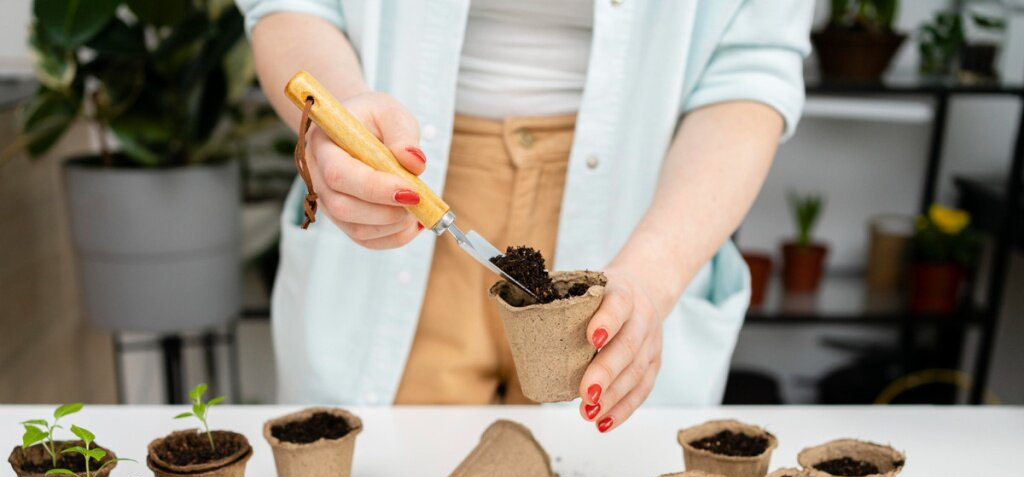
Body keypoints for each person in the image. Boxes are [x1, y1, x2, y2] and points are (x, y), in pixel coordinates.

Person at [238, 0, 813, 431]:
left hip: (642, 210)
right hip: (404, 183)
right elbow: (291, 7)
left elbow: (751, 67)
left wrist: (654, 273)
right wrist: (346, 116)